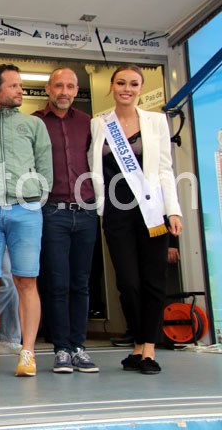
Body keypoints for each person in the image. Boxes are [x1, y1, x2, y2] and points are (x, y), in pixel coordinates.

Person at [89, 64, 182, 375]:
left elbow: (165, 169)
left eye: (133, 84)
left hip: (152, 212)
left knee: (154, 280)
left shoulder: (156, 122)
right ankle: (138, 342)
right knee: (128, 283)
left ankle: (146, 349)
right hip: (117, 214)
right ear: (111, 87)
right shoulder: (99, 124)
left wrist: (174, 210)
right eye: (121, 83)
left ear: (140, 88)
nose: (126, 89)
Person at [0, 63, 52, 378]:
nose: (20, 90)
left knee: (26, 281)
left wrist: (35, 201)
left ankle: (27, 352)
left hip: (25, 209)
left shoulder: (33, 124)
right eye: (14, 85)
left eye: (21, 85)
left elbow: (45, 167)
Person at [32, 68, 99, 374]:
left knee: (81, 283)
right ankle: (61, 349)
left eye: (70, 86)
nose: (64, 91)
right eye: (58, 85)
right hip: (52, 212)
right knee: (57, 284)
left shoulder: (89, 123)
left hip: (86, 211)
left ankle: (79, 347)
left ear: (75, 90)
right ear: (48, 88)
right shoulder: (34, 122)